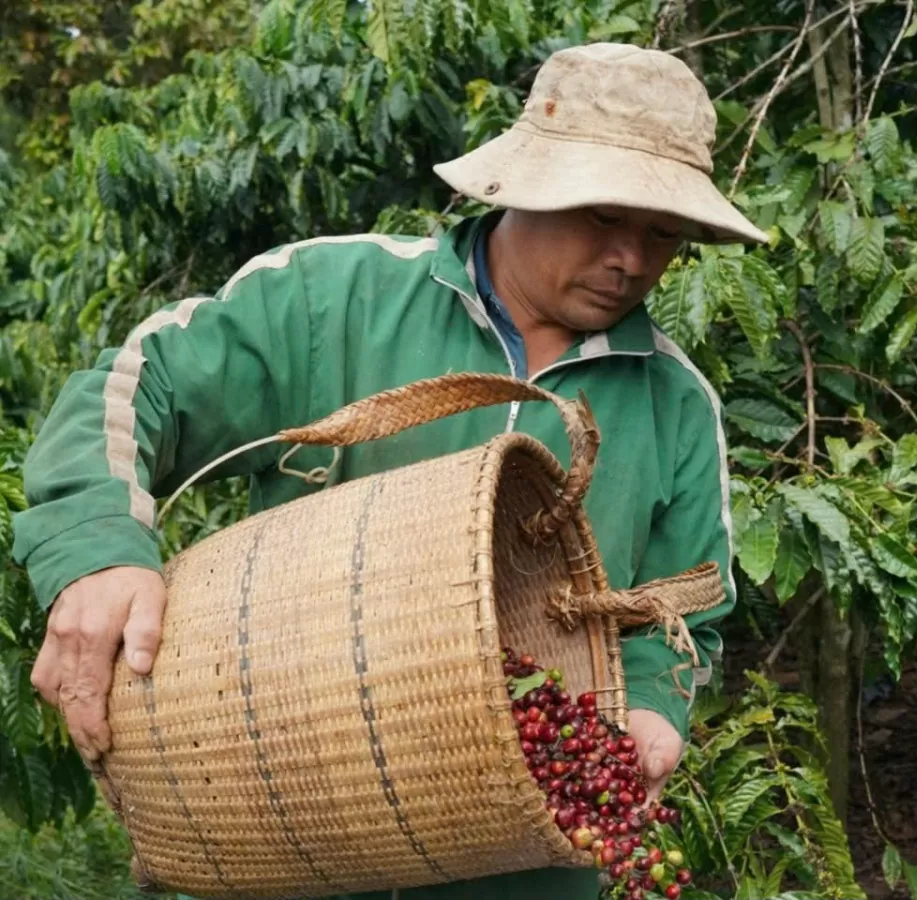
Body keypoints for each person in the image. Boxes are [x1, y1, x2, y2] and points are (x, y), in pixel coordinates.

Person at [12, 41, 766, 900]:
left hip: (518, 866)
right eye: (602, 216)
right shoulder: (330, 297)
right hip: (285, 819)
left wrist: (654, 714)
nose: (631, 258)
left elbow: (687, 611)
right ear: (529, 184)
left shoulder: (672, 402)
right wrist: (99, 546)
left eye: (662, 232)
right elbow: (133, 390)